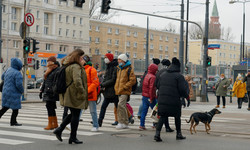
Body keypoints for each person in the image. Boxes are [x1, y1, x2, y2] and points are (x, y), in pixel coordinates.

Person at [53, 49, 88, 144]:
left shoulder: (68, 65)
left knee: (73, 114)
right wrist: (83, 92)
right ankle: (72, 136)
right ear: (77, 57)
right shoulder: (76, 67)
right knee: (75, 115)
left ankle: (60, 130)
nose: (82, 59)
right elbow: (77, 80)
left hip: (69, 93)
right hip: (75, 93)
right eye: (81, 57)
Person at [154, 57, 189, 142]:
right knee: (177, 117)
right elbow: (183, 90)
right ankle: (178, 134)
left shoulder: (163, 75)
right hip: (174, 100)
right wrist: (186, 97)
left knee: (162, 116)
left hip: (162, 99)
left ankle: (157, 134)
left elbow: (157, 85)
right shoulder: (179, 76)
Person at [115, 54, 136, 129]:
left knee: (121, 105)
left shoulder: (129, 69)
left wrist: (124, 87)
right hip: (119, 90)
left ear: (123, 60)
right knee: (120, 106)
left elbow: (133, 80)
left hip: (124, 91)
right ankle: (122, 122)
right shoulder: (119, 69)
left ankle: (123, 122)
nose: (118, 61)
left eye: (119, 59)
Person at [0, 58, 24, 126]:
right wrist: (22, 91)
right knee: (15, 109)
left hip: (5, 92)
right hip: (14, 93)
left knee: (5, 107)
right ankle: (13, 122)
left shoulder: (8, 70)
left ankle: (13, 121)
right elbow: (18, 85)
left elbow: (2, 77)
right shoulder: (17, 73)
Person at [98, 53, 119, 126]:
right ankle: (99, 121)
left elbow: (113, 80)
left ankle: (124, 119)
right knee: (103, 107)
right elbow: (106, 78)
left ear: (110, 58)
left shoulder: (115, 67)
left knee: (118, 107)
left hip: (114, 91)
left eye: (106, 57)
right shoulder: (108, 67)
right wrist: (101, 84)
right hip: (108, 91)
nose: (105, 59)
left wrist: (103, 84)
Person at [40, 56, 60, 130]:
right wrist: (42, 90)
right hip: (47, 91)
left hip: (52, 92)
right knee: (50, 107)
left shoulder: (57, 70)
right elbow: (45, 81)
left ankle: (51, 124)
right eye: (48, 61)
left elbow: (56, 82)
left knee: (50, 107)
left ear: (53, 62)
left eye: (50, 61)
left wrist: (52, 90)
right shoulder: (49, 69)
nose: (48, 63)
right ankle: (54, 124)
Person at [83, 55, 100, 132]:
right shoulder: (81, 69)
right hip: (83, 93)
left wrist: (87, 91)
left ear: (85, 61)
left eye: (82, 60)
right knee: (79, 109)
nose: (80, 61)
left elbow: (95, 83)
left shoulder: (92, 70)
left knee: (93, 111)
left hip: (90, 94)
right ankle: (72, 124)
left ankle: (95, 125)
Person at [139, 64, 158, 130]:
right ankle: (155, 124)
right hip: (150, 97)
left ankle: (142, 125)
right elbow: (151, 88)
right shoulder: (153, 77)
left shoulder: (147, 75)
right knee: (155, 111)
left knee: (144, 111)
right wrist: (151, 98)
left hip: (144, 96)